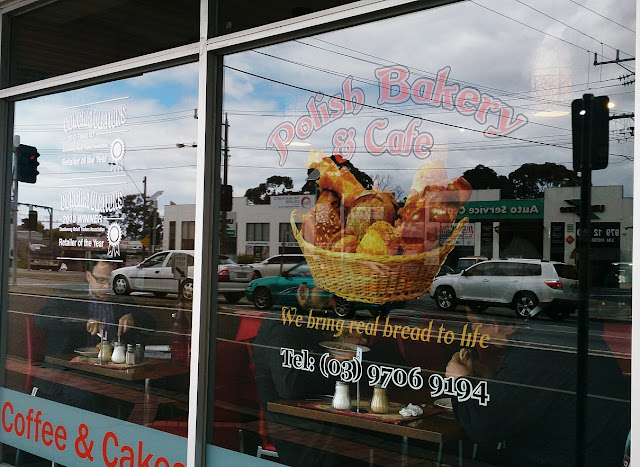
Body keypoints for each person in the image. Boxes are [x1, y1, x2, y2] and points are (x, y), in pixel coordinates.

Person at [445, 310, 630, 466]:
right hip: (588, 451)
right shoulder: (556, 331)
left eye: (474, 323)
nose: (472, 330)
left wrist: (459, 381)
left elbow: (484, 428)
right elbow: (533, 394)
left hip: (563, 457)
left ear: (496, 324)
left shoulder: (537, 346)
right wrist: (493, 381)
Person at [36, 257, 153, 355]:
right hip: (69, 363)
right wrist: (82, 321)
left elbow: (151, 324)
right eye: (101, 280)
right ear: (88, 276)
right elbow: (42, 319)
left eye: (112, 280)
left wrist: (132, 317)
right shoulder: (68, 293)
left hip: (111, 363)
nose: (107, 286)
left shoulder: (120, 297)